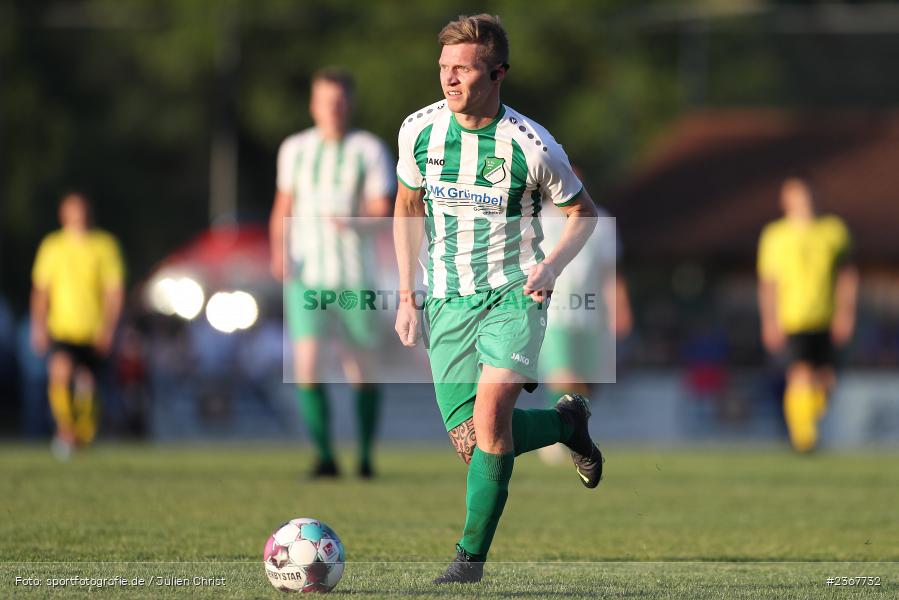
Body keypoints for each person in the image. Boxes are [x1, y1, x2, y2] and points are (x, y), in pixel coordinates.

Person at [393, 14, 603, 584]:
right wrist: (408, 294)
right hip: (446, 298)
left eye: (463, 68)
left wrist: (552, 265)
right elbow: (407, 207)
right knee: (477, 445)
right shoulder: (419, 131)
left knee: (490, 422)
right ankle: (565, 424)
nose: (449, 79)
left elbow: (582, 215)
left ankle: (468, 562)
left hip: (513, 294)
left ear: (498, 72)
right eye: (443, 68)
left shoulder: (533, 146)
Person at [269, 68, 395, 479]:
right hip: (308, 275)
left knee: (362, 367)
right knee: (306, 363)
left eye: (340, 101)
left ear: (350, 104)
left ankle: (364, 456)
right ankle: (324, 456)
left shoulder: (368, 149)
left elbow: (383, 210)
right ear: (313, 105)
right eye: (325, 101)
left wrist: (355, 219)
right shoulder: (295, 149)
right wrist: (278, 251)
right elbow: (283, 204)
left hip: (354, 276)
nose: (333, 109)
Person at [757, 176, 858, 453]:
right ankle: (804, 439)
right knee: (800, 373)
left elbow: (846, 276)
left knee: (826, 380)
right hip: (792, 317)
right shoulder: (775, 236)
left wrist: (846, 312)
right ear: (784, 201)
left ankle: (804, 423)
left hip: (826, 315)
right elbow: (768, 283)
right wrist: (769, 320)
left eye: (806, 195)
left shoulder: (833, 230)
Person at [30, 191, 125, 458]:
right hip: (63, 327)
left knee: (88, 383)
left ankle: (83, 434)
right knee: (60, 371)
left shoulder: (104, 245)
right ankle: (65, 429)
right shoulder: (52, 246)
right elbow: (41, 290)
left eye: (81, 209)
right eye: (72, 210)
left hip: (93, 329)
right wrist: (38, 326)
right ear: (63, 214)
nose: (78, 215)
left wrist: (109, 327)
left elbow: (114, 291)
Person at [538, 199, 631, 463]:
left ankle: (569, 432)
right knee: (563, 374)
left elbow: (609, 270)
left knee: (587, 384)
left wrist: (619, 307)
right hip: (553, 311)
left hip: (591, 315)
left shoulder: (600, 221)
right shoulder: (538, 217)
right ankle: (553, 436)